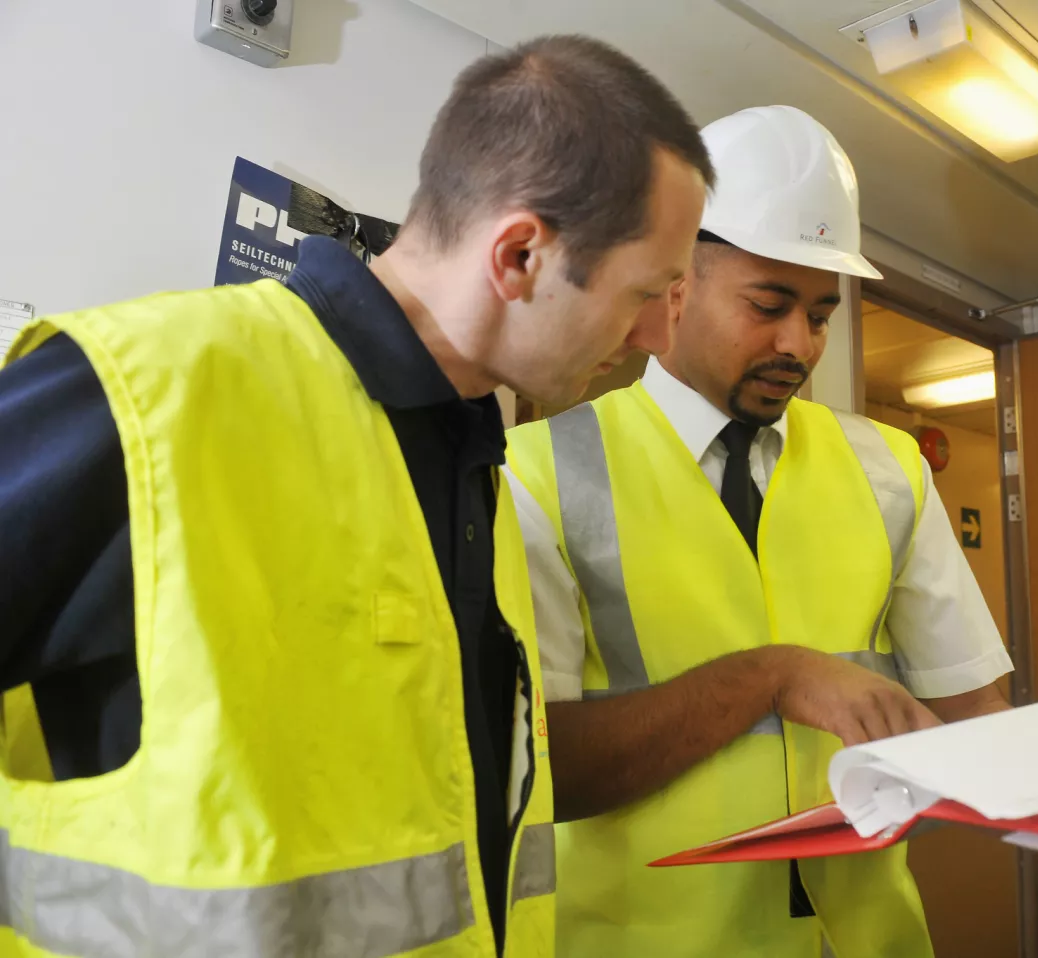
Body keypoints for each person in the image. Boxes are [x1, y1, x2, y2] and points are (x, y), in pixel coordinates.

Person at [0, 35, 711, 957]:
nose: (659, 334)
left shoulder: (476, 466)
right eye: (649, 291)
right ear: (522, 255)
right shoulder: (150, 393)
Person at [504, 105, 1014, 957]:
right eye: (768, 304)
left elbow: (973, 713)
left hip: (866, 940)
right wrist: (769, 679)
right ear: (675, 282)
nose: (799, 345)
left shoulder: (890, 469)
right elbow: (538, 770)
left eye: (820, 314)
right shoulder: (538, 474)